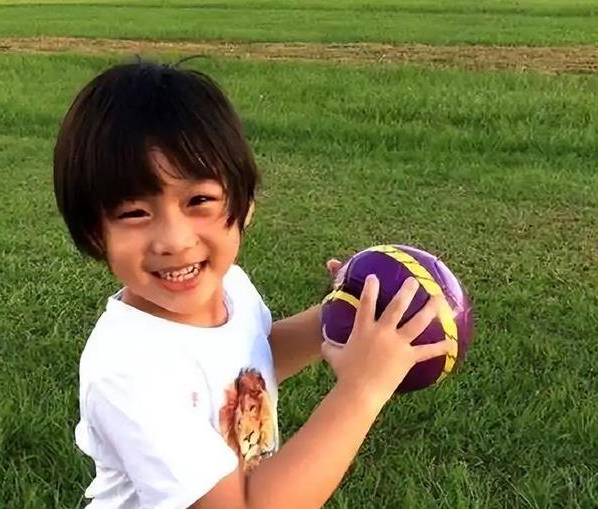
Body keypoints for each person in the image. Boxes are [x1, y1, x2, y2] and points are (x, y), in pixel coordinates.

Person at [53, 60, 451, 509]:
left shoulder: (230, 287)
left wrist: (341, 314)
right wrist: (362, 390)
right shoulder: (130, 370)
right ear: (94, 234)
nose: (174, 241)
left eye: (199, 200)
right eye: (134, 213)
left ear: (244, 207)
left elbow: (251, 359)